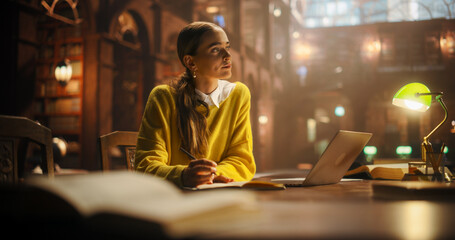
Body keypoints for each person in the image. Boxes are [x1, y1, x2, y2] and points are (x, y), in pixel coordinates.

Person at [134, 21, 256, 188]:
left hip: (220, 197)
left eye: (227, 47)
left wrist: (210, 176)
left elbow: (242, 161)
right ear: (191, 62)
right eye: (215, 49)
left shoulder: (239, 94)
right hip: (174, 201)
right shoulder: (163, 97)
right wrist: (183, 175)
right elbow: (145, 166)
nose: (227, 55)